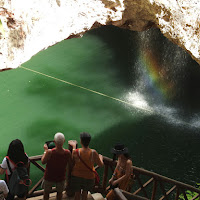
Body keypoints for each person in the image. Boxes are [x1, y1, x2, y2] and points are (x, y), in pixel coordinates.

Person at [68, 132, 104, 200]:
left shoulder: (77, 152)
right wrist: (101, 158)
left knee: (77, 194)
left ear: (81, 141)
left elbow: (73, 156)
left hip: (77, 176)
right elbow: (100, 164)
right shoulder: (93, 152)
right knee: (85, 194)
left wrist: (74, 146)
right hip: (89, 177)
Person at [41, 132, 72, 200]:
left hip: (49, 176)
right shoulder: (67, 153)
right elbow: (71, 163)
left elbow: (43, 161)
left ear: (54, 141)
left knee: (46, 193)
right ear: (64, 141)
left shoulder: (50, 152)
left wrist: (45, 151)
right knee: (59, 194)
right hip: (61, 176)